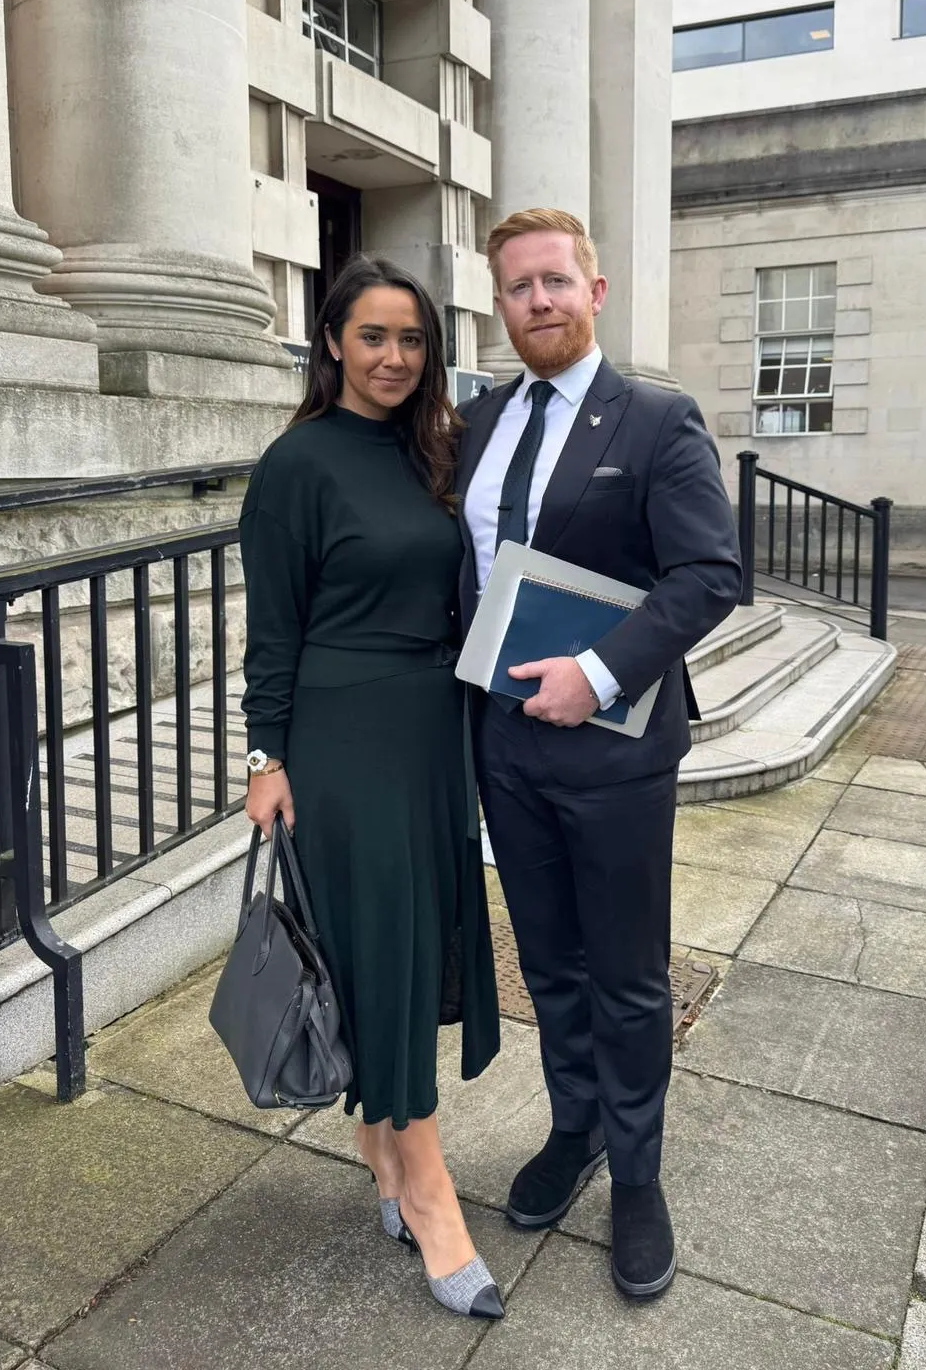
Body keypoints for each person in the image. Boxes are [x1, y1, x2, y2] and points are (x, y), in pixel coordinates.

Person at [457, 209, 742, 1299]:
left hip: (614, 752)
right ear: (502, 303)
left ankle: (637, 1174)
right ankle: (573, 1127)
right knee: (548, 964)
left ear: (596, 290)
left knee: (626, 976)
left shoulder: (657, 421)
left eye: (555, 281)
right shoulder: (479, 427)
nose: (539, 300)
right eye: (520, 287)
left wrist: (602, 671)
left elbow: (707, 575)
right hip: (504, 746)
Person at [239, 255, 503, 1321]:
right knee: (384, 947)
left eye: (412, 339)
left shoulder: (439, 450)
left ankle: (381, 1146)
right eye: (373, 337)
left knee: (409, 941)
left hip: (433, 731)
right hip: (343, 733)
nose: (395, 357)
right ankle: (431, 1192)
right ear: (332, 344)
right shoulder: (296, 464)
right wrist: (266, 758)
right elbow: (272, 626)